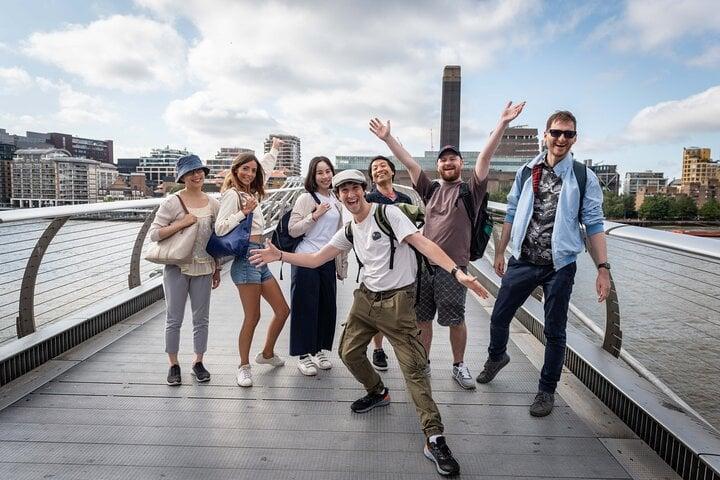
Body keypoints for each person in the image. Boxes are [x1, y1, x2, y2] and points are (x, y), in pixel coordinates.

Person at [249, 169, 490, 477]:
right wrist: (280, 254)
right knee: (348, 352)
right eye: (343, 191)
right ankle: (377, 391)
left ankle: (435, 438)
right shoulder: (349, 228)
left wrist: (457, 272)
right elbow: (316, 258)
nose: (350, 195)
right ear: (337, 196)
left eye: (354, 188)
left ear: (364, 189)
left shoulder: (388, 214)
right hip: (366, 299)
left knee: (414, 371)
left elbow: (423, 243)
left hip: (398, 303)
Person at [369, 101, 526, 390]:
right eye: (443, 160)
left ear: (461, 165)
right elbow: (410, 164)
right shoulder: (430, 190)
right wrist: (388, 139)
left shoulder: (471, 191)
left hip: (454, 267)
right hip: (424, 265)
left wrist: (502, 123)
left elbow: (485, 159)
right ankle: (424, 363)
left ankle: (458, 364)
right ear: (438, 166)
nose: (448, 162)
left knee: (455, 318)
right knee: (422, 319)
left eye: (453, 159)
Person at [476, 110, 610, 417]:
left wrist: (603, 268)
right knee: (499, 316)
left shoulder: (582, 176)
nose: (561, 139)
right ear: (545, 136)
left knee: (555, 331)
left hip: (559, 265)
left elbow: (593, 222)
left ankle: (546, 391)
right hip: (523, 259)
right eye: (556, 132)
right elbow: (510, 212)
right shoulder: (527, 171)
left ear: (574, 138)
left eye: (568, 134)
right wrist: (500, 252)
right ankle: (497, 357)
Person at [215, 137, 290, 387]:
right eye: (244, 169)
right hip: (246, 257)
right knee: (253, 316)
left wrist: (275, 149)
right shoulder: (232, 196)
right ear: (235, 170)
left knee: (282, 310)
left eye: (252, 170)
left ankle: (267, 353)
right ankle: (243, 366)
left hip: (261, 256)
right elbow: (221, 227)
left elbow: (265, 169)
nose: (249, 173)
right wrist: (243, 213)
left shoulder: (251, 192)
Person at [148, 154, 221, 386]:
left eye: (199, 171)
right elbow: (154, 234)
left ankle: (198, 362)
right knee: (174, 318)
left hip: (204, 266)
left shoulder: (213, 203)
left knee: (202, 319)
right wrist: (181, 223)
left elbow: (216, 239)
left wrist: (217, 267)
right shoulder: (172, 202)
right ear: (182, 177)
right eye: (191, 172)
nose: (197, 175)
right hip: (176, 268)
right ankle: (173, 364)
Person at [287, 156, 348, 376]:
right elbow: (292, 230)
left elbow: (342, 235)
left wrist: (342, 265)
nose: (325, 176)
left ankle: (319, 349)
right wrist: (314, 216)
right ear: (313, 176)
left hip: (327, 259)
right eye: (319, 173)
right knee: (305, 308)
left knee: (326, 307)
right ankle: (304, 355)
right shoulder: (305, 198)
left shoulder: (337, 200)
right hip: (305, 258)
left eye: (328, 171)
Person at [364, 155, 412, 371]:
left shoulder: (405, 199)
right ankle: (378, 349)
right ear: (372, 177)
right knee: (378, 307)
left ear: (393, 172)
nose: (379, 169)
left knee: (403, 308)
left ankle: (407, 352)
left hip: (403, 260)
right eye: (374, 168)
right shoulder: (368, 200)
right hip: (378, 260)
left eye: (383, 166)